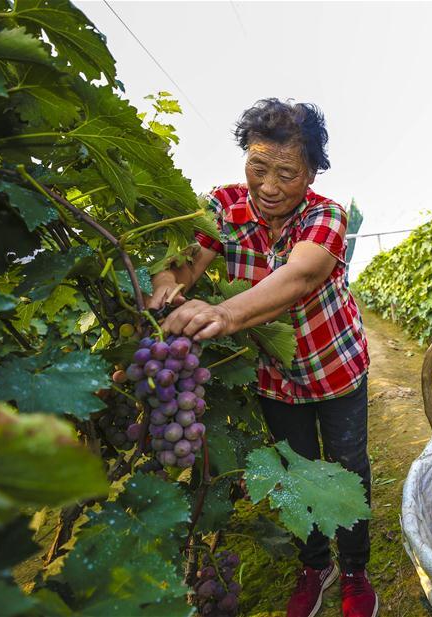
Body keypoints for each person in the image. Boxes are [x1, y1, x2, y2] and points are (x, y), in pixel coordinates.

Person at [148, 99, 377, 617]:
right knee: (294, 472)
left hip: (335, 367)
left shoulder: (327, 216)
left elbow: (297, 276)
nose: (268, 186)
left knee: (348, 467)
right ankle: (314, 566)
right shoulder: (223, 207)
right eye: (257, 167)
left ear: (312, 173)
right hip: (274, 378)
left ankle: (356, 569)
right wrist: (167, 286)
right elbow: (181, 264)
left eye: (286, 173)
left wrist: (225, 316)